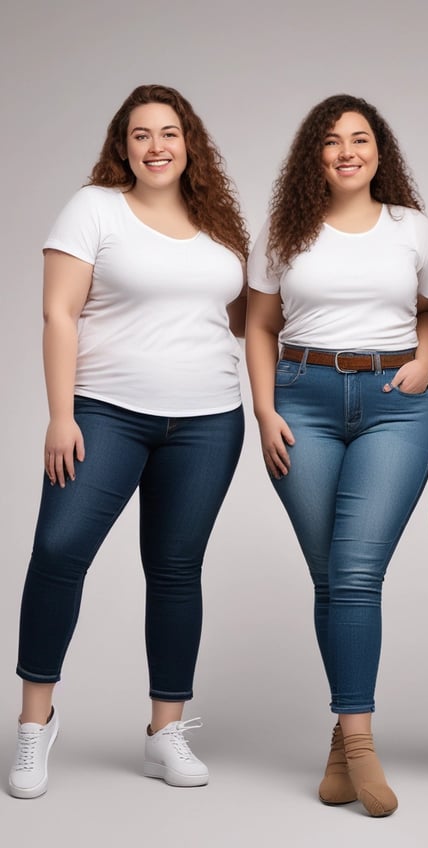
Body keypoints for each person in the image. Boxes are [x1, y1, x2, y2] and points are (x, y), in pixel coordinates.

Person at [8, 84, 249, 799]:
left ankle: (164, 732)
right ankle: (33, 727)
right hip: (106, 412)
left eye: (169, 133)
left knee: (176, 569)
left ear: (189, 142)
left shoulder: (219, 225)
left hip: (209, 420)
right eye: (141, 134)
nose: (156, 147)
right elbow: (58, 312)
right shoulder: (94, 209)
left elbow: (241, 318)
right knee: (58, 553)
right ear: (123, 145)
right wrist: (61, 414)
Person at [246, 94, 428, 817]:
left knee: (356, 572)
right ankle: (344, 741)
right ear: (315, 157)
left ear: (379, 152)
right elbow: (261, 325)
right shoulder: (284, 230)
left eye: (360, 139)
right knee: (330, 575)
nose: (347, 151)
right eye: (332, 142)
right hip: (301, 401)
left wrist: (425, 360)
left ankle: (357, 746)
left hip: (397, 402)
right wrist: (265, 410)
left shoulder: (412, 228)